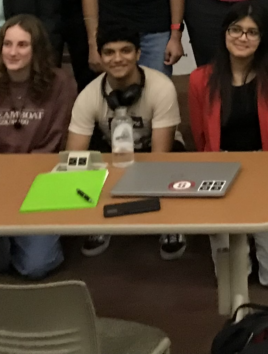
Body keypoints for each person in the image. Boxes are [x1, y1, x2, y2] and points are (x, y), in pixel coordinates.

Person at [186, 2, 268, 289]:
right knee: (231, 279)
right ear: (225, 33)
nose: (242, 37)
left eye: (252, 32)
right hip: (222, 171)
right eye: (235, 29)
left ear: (263, 39)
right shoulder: (201, 80)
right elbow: (201, 139)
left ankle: (259, 235)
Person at [0, 14, 76, 279]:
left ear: (36, 50)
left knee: (36, 266)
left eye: (22, 45)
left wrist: (23, 184)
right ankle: (5, 235)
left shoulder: (60, 83)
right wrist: (0, 184)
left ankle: (14, 236)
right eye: (7, 44)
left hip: (40, 182)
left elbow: (55, 143)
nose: (13, 53)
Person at [66, 23, 185, 260]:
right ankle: (100, 221)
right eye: (109, 52)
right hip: (113, 155)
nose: (117, 59)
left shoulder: (161, 87)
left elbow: (160, 158)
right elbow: (73, 158)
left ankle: (171, 224)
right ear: (100, 57)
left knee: (179, 159)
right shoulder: (88, 95)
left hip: (156, 153)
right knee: (87, 159)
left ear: (138, 54)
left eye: (126, 51)